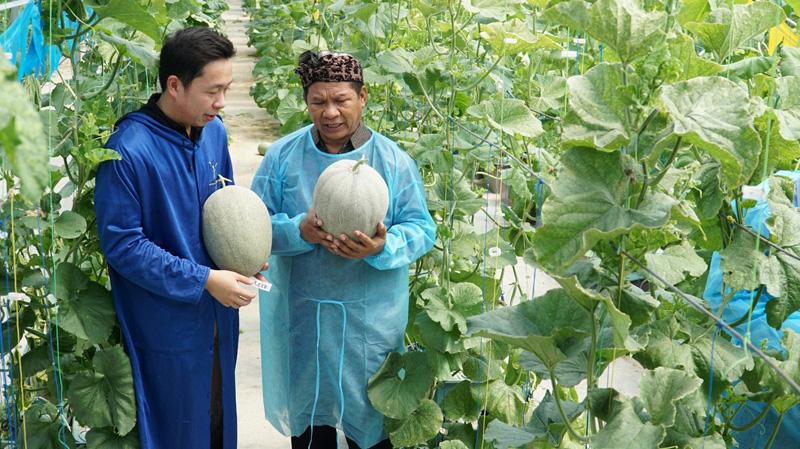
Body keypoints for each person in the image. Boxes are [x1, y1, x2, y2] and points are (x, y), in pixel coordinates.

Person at [252, 51, 436, 449]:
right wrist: (298, 230)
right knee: (311, 424)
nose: (330, 112)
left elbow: (422, 229)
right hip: (304, 318)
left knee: (369, 427)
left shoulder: (392, 161)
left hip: (368, 324)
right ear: (306, 102)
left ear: (363, 96)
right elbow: (255, 226)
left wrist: (382, 246)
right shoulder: (282, 157)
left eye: (341, 100)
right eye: (318, 102)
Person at [95, 27, 262, 449]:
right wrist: (204, 280)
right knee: (179, 425)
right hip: (166, 319)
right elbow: (123, 246)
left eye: (227, 89)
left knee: (217, 416)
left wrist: (244, 255)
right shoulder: (128, 151)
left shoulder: (215, 133)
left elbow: (224, 208)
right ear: (174, 85)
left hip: (217, 311)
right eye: (212, 91)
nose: (221, 103)